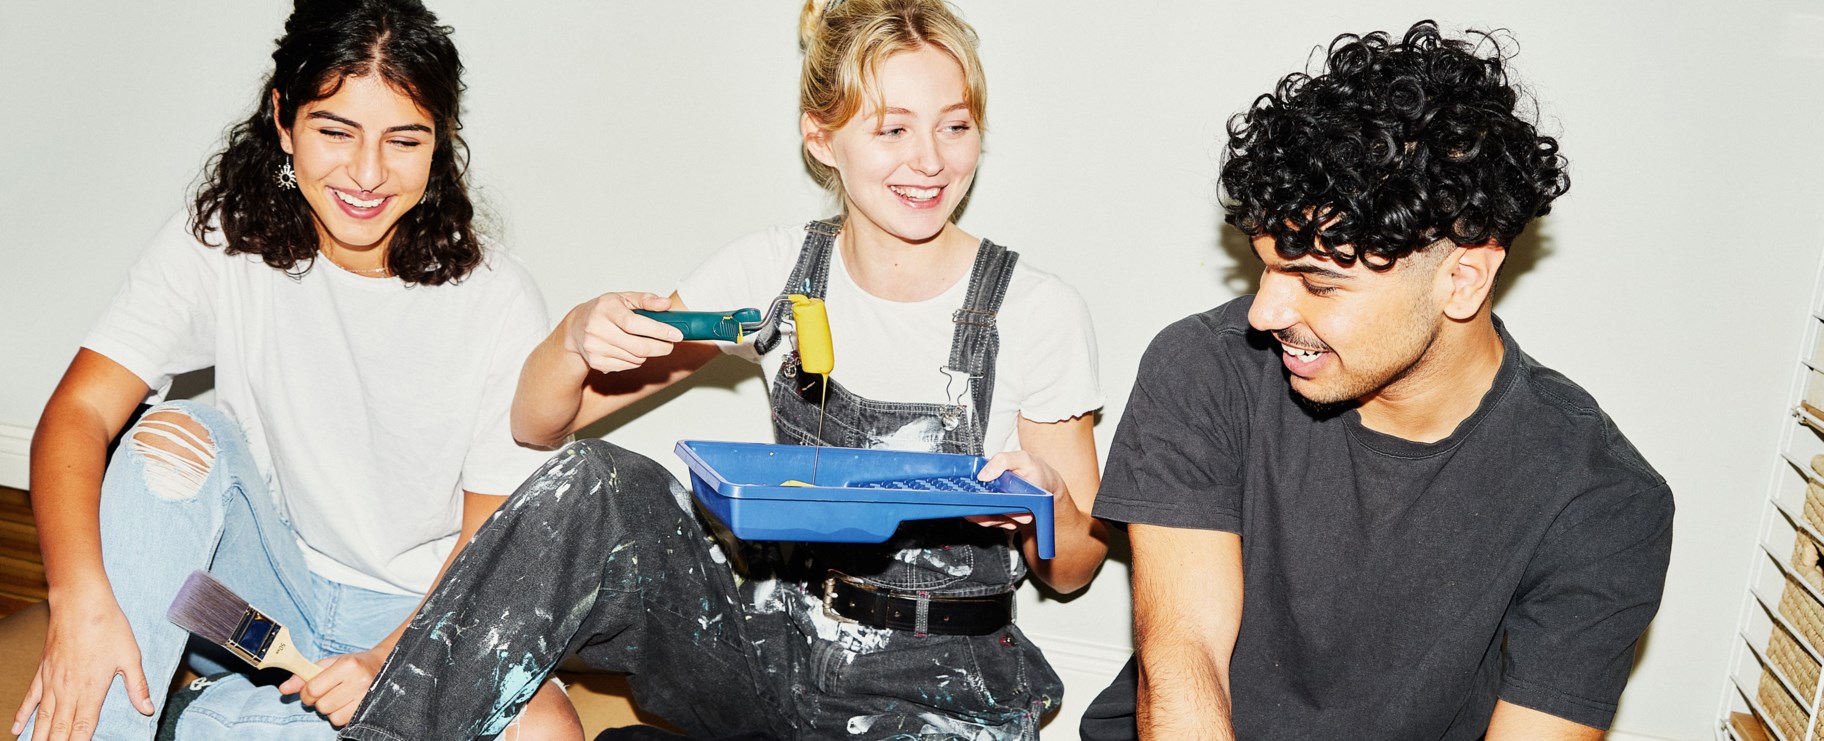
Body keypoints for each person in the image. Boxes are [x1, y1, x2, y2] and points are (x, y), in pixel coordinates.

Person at [341, 1, 1107, 739]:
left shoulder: (1033, 311)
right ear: (821, 137)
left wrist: (1045, 503)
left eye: (955, 126)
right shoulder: (775, 271)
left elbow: (1073, 568)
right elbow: (536, 424)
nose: (930, 160)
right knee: (594, 480)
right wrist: (574, 338)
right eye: (893, 128)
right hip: (768, 653)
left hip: (942, 685)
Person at [1078, 21, 1674, 741]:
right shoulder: (1206, 367)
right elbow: (1185, 657)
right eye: (1266, 266)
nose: (1265, 312)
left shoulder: (1600, 498)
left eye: (1318, 283)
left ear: (1462, 278)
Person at [11, 1, 581, 739]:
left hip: (415, 609)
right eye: (335, 131)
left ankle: (201, 720)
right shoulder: (223, 239)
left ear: (440, 142)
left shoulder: (497, 299)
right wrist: (78, 601)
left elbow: (487, 549)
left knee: (544, 729)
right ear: (283, 119)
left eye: (404, 140)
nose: (368, 173)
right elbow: (81, 411)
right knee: (176, 434)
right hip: (247, 609)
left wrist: (384, 663)